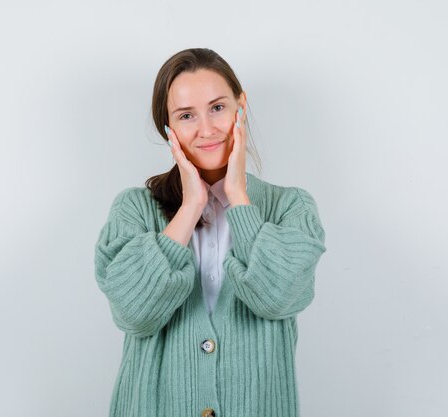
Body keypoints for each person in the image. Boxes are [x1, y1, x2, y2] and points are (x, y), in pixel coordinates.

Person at [94, 48, 327, 417]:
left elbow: (279, 296)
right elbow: (133, 312)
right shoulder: (133, 210)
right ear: (168, 130)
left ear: (241, 106)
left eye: (217, 108)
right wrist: (189, 208)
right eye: (187, 115)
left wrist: (237, 195)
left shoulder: (291, 208)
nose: (206, 129)